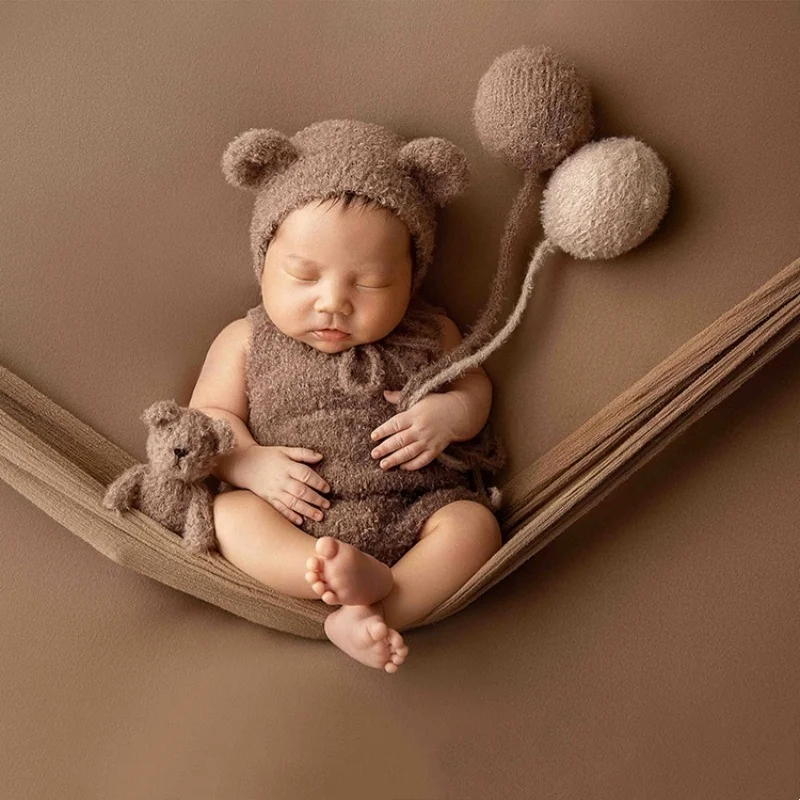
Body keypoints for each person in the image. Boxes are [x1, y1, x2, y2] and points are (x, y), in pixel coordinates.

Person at [188, 120, 506, 673]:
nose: (334, 302)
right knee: (230, 514)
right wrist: (252, 466)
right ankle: (328, 574)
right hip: (293, 521)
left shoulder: (434, 332)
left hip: (415, 512)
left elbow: (475, 387)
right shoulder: (245, 340)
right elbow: (206, 423)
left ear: (412, 278)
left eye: (372, 283)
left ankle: (379, 605)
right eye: (303, 275)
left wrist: (451, 414)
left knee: (474, 528)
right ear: (264, 262)